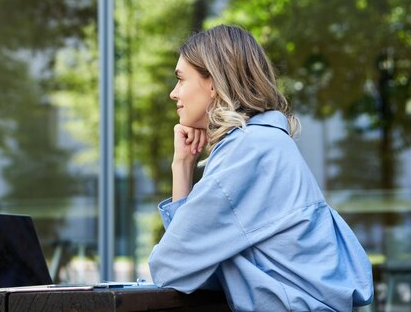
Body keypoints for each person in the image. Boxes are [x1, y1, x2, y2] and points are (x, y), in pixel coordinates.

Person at [147, 25, 374, 311]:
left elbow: (171, 267)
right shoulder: (263, 143)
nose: (173, 93)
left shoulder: (247, 152)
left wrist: (181, 168)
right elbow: (195, 270)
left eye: (181, 80)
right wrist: (182, 166)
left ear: (214, 82)